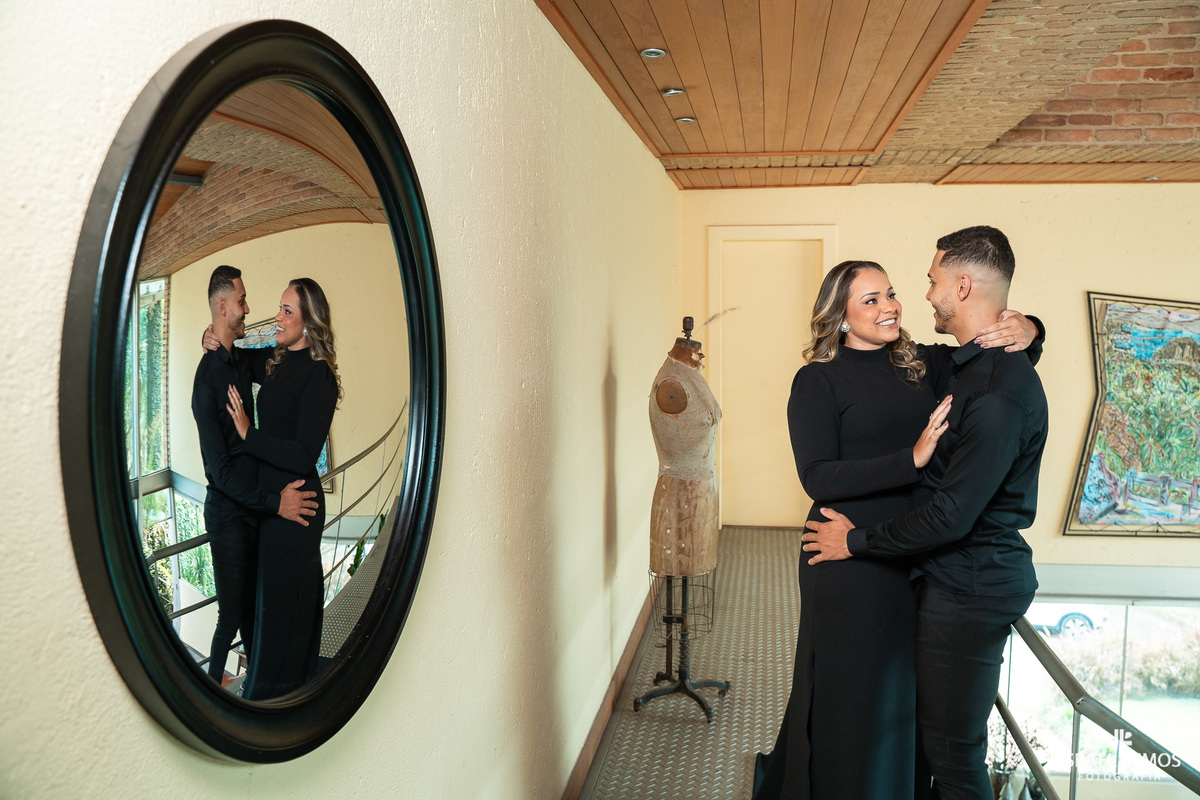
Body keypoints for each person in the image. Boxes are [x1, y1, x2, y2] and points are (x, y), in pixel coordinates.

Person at [753, 258, 1043, 800]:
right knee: (852, 696)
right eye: (870, 300)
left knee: (900, 701)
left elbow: (983, 353)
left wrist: (1030, 330)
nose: (889, 306)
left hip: (910, 548)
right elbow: (817, 476)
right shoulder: (816, 380)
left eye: (890, 294)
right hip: (844, 552)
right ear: (838, 315)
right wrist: (908, 460)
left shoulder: (920, 364)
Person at [213, 277, 342, 700]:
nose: (278, 317)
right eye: (280, 308)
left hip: (298, 507)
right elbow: (242, 362)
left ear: (310, 322)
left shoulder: (320, 376)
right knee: (270, 602)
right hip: (274, 505)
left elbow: (305, 454)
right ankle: (270, 688)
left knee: (286, 605)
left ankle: (281, 694)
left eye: (287, 311)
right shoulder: (279, 358)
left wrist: (250, 436)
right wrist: (212, 338)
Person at [191, 265, 318, 684]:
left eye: (285, 310)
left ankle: (257, 689)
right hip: (230, 515)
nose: (250, 309)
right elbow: (219, 473)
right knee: (231, 619)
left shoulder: (242, 360)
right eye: (242, 301)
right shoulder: (206, 383)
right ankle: (214, 694)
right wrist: (274, 503)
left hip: (259, 512)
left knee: (255, 615)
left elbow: (282, 357)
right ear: (223, 306)